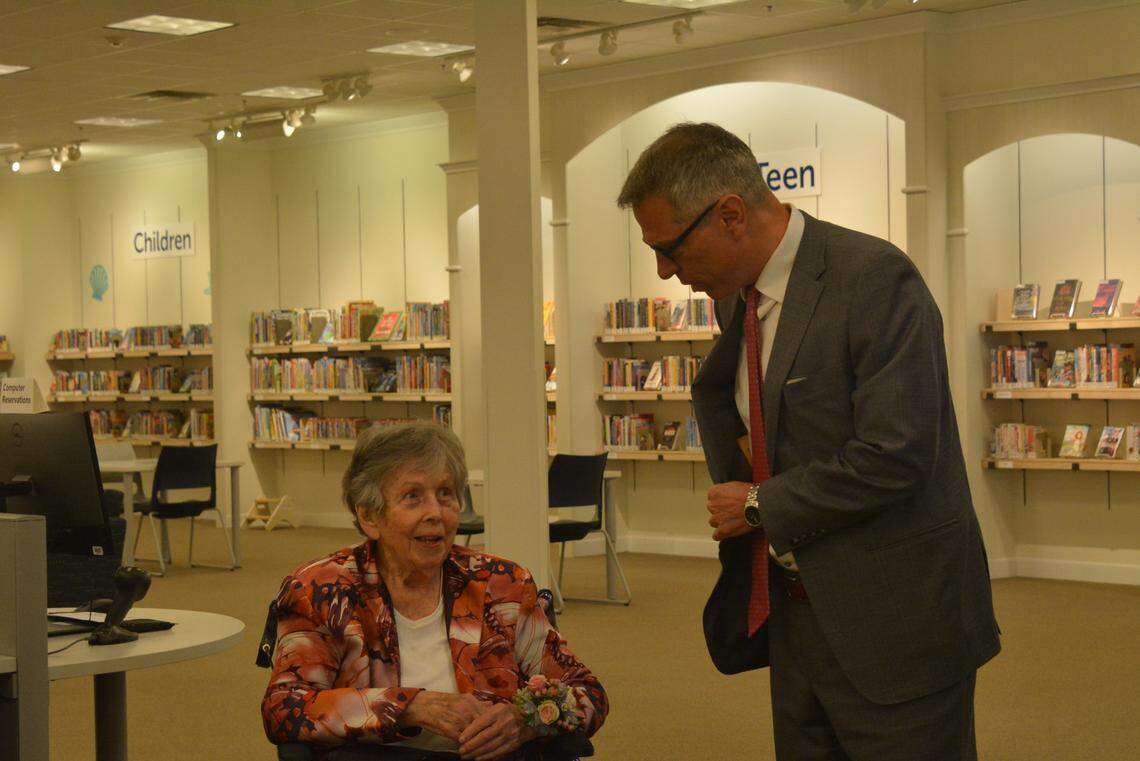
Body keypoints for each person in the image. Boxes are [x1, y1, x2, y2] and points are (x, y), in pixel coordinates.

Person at [618, 122, 1000, 760]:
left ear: (731, 214)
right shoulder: (739, 297)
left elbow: (898, 453)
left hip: (895, 622)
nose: (665, 271)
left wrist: (759, 505)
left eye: (671, 249)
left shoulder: (873, 279)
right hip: (796, 614)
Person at [262, 422, 607, 760]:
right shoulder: (321, 589)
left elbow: (587, 693)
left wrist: (528, 720)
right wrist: (409, 706)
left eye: (445, 493)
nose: (436, 513)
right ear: (369, 517)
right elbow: (285, 708)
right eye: (413, 497)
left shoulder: (503, 584)